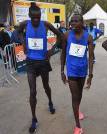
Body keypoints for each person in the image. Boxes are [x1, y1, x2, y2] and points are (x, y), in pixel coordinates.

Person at [18, 2, 63, 133]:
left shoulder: (46, 24)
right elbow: (18, 31)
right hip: (31, 62)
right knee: (32, 91)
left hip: (43, 61)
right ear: (30, 16)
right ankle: (34, 119)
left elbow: (59, 35)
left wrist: (52, 50)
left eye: (38, 17)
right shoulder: (25, 24)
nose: (36, 20)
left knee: (46, 86)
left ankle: (50, 102)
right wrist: (23, 42)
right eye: (34, 17)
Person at [60, 14, 94, 134]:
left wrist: (90, 75)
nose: (73, 23)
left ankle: (77, 110)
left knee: (79, 95)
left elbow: (91, 57)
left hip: (82, 71)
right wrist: (62, 71)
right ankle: (78, 126)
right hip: (71, 71)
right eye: (72, 21)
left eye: (76, 21)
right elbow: (63, 53)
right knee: (75, 97)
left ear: (82, 22)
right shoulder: (66, 35)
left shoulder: (88, 37)